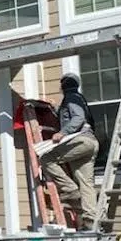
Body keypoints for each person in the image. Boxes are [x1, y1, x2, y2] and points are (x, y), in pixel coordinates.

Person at [39, 73, 100, 230]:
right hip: (91, 142)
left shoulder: (71, 97)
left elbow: (78, 118)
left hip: (80, 141)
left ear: (64, 85)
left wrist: (63, 132)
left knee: (46, 158)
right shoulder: (78, 98)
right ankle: (90, 221)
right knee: (86, 183)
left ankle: (69, 190)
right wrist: (55, 107)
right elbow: (73, 114)